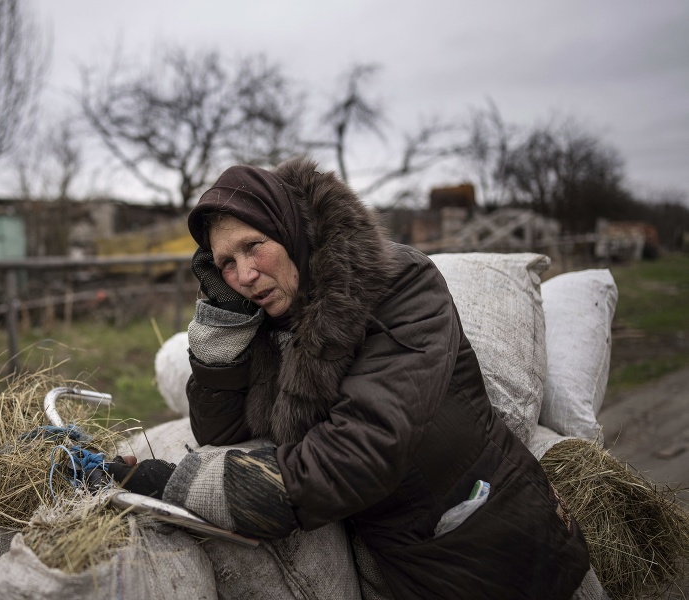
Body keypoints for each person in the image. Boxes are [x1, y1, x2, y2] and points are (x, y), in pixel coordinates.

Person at [114, 156, 590, 599]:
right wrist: (222, 327)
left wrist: (188, 487)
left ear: (291, 229)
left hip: (495, 539)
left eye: (253, 246)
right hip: (406, 559)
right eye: (226, 265)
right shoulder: (269, 320)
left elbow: (362, 450)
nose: (245, 274)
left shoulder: (400, 286)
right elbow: (220, 432)